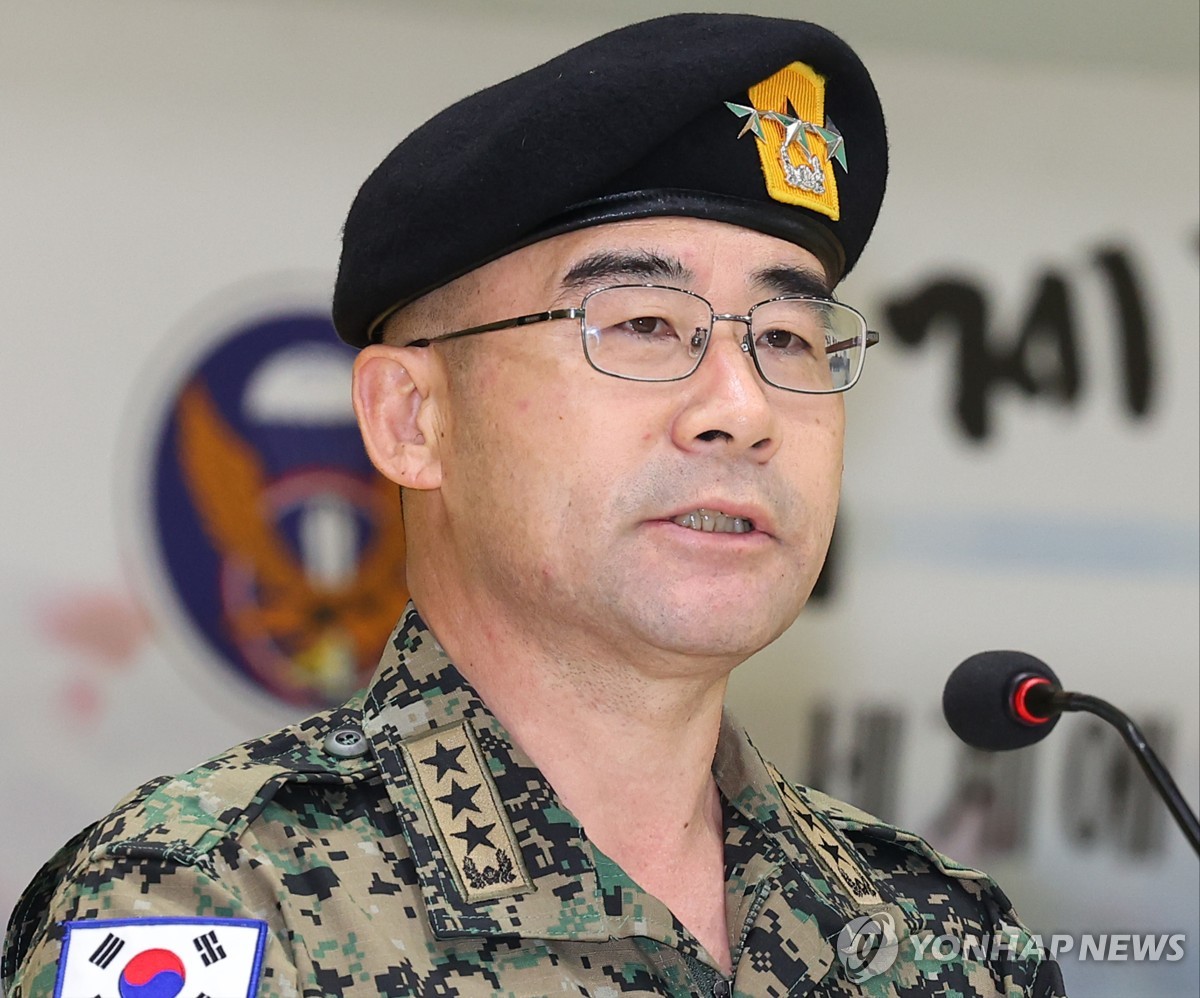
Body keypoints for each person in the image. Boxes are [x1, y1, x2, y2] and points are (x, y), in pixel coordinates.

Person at [3, 13, 1067, 997]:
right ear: (411, 418)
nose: (741, 410)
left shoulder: (943, 943)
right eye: (643, 324)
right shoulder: (210, 905)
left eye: (786, 338)